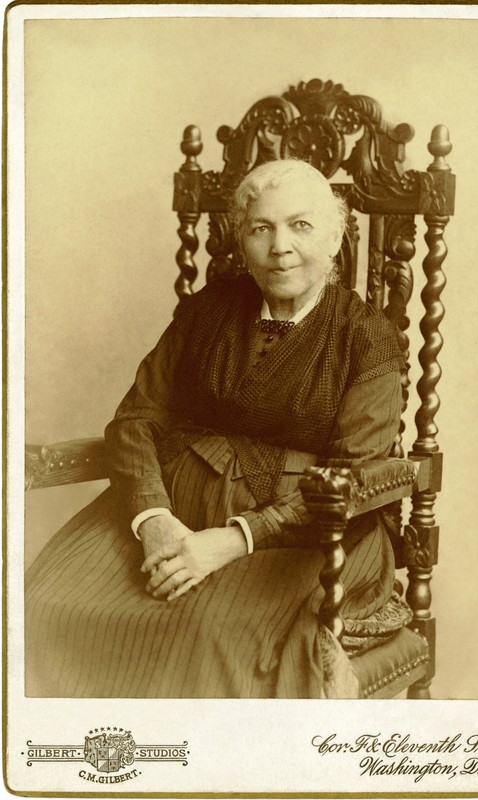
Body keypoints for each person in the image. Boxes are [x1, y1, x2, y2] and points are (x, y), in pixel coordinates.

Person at [25, 159, 404, 698]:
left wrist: (232, 540)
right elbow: (136, 418)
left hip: (307, 532)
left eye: (301, 225)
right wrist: (154, 520)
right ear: (242, 241)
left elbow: (350, 478)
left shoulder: (366, 337)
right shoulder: (208, 311)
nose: (280, 246)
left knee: (207, 635)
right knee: (40, 604)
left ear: (334, 238)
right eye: (260, 228)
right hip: (170, 510)